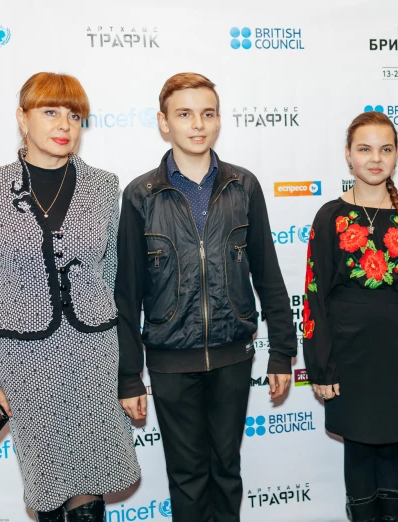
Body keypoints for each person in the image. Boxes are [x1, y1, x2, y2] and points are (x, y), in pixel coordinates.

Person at [115, 72, 297, 521]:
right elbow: (127, 294)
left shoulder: (244, 186)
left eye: (207, 113)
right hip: (170, 360)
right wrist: (129, 376)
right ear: (164, 123)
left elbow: (268, 275)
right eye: (184, 114)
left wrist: (282, 355)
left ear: (218, 121)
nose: (197, 124)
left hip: (234, 357)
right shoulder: (141, 194)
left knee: (227, 472)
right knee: (187, 477)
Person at [0, 72, 141, 522]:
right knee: (48, 483)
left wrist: (126, 371)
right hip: (24, 360)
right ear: (22, 119)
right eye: (50, 111)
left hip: (91, 351)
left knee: (92, 477)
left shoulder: (104, 186)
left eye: (75, 115)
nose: (65, 124)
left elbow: (112, 275)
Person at [303, 111, 398, 522]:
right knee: (359, 450)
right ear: (348, 155)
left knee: (392, 447)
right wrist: (322, 367)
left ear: (396, 154)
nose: (375, 158)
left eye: (385, 149)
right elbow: (314, 295)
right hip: (349, 357)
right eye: (365, 149)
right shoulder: (329, 216)